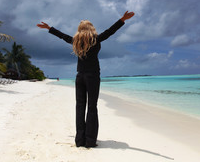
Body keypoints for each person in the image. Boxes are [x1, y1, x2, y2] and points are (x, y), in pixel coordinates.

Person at [37, 11, 134, 148]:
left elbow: (63, 36)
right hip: (93, 76)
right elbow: (110, 31)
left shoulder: (76, 41)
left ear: (80, 29)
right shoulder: (96, 39)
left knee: (80, 107)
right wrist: (123, 19)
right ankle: (90, 140)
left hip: (79, 76)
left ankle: (79, 140)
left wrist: (49, 28)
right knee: (92, 107)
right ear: (91, 28)